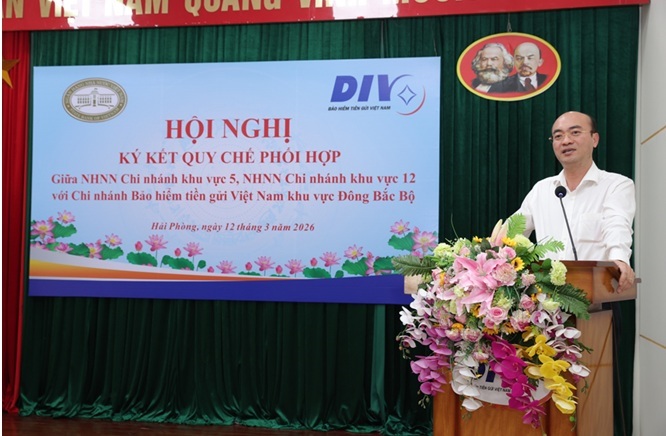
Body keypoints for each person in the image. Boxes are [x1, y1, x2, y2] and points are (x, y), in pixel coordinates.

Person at [516, 111, 636, 292]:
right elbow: (513, 231)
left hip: (597, 294)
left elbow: (617, 224)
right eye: (558, 136)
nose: (566, 141)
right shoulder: (542, 189)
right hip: (544, 299)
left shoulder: (616, 185)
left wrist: (619, 259)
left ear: (594, 139)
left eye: (575, 132)